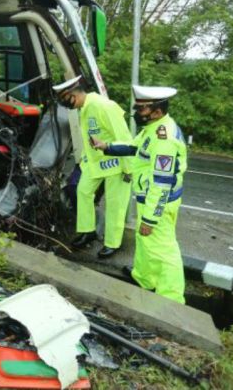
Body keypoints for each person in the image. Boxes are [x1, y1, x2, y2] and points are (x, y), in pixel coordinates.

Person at [91, 85, 187, 304]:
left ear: (157, 110)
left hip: (158, 204)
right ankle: (144, 278)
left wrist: (151, 218)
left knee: (164, 252)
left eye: (141, 109)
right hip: (148, 198)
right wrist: (106, 147)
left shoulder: (164, 140)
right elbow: (134, 147)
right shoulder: (153, 128)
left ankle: (172, 300)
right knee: (145, 242)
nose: (136, 112)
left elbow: (162, 183)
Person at [53, 76, 132, 258]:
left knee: (114, 204)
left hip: (116, 163)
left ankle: (113, 243)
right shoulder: (83, 109)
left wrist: (128, 169)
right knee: (83, 192)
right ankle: (88, 231)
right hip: (95, 163)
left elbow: (124, 137)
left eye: (65, 99)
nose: (65, 105)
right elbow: (89, 139)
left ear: (73, 94)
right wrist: (83, 161)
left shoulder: (104, 106)